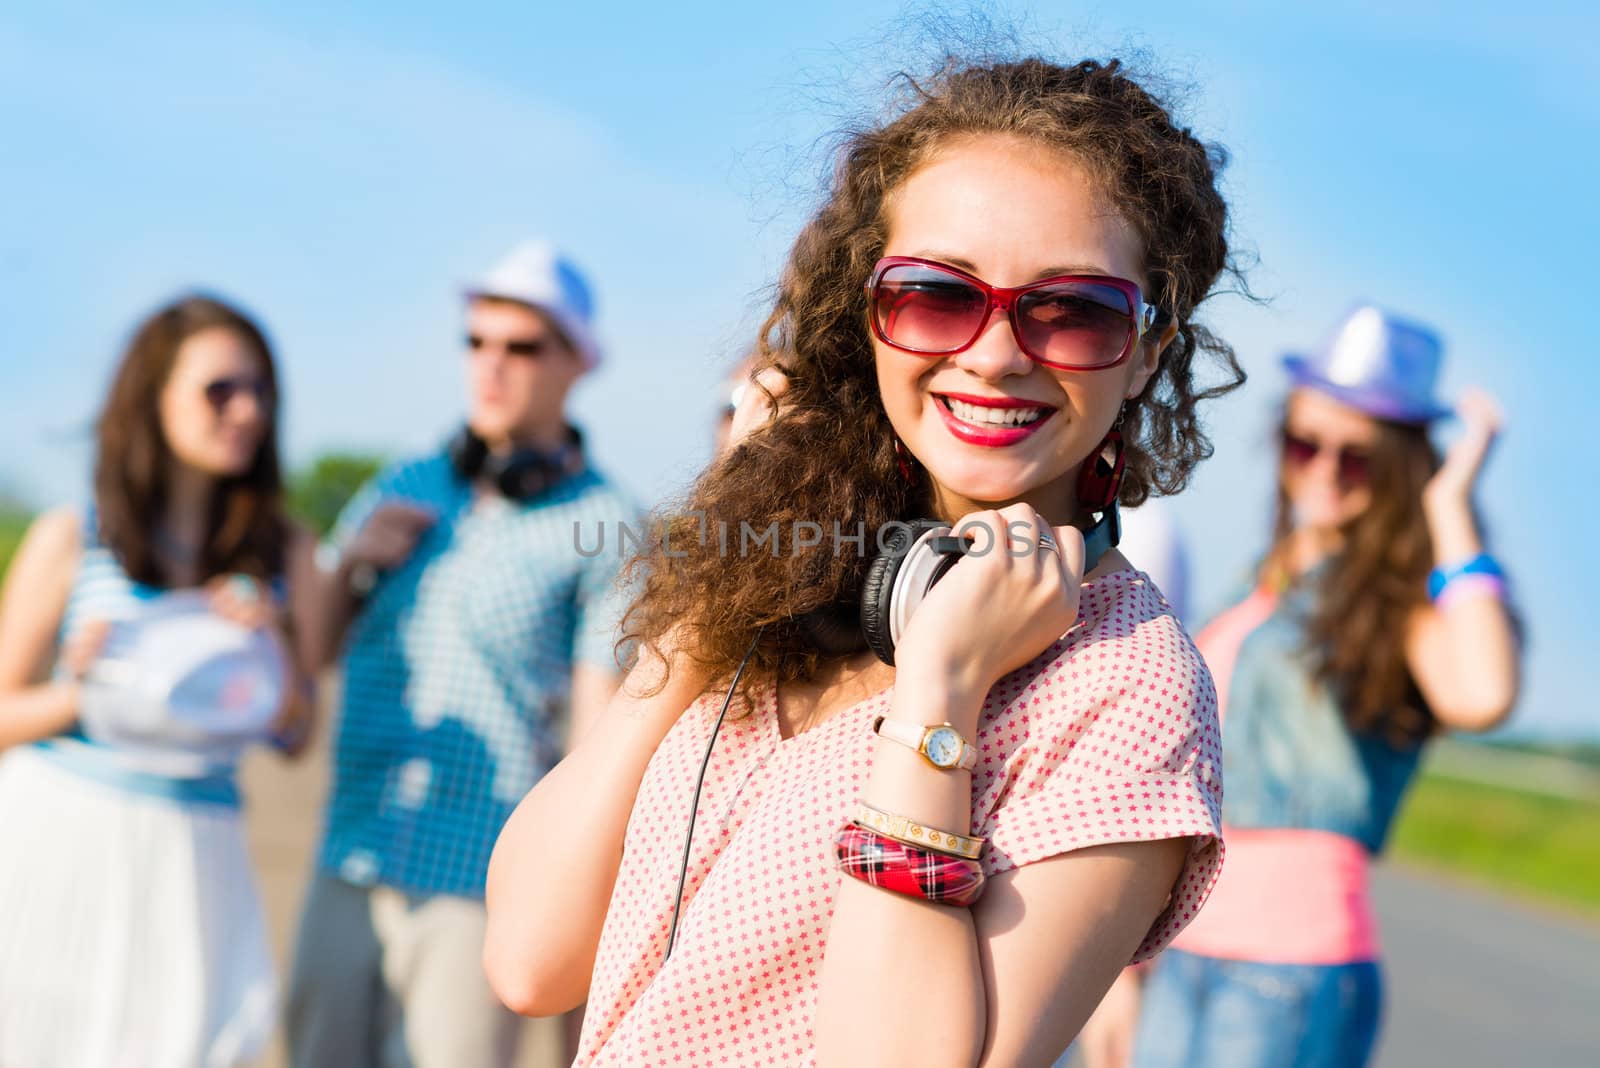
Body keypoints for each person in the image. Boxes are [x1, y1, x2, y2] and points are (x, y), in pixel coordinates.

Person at [484, 55, 1248, 1066]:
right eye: (937, 295)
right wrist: (714, 591)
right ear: (868, 315)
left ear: (1148, 346)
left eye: (1071, 311)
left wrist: (942, 697)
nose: (994, 353)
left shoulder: (1127, 688)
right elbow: (531, 961)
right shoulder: (802, 574)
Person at [1112, 306, 1521, 1068]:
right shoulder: (1262, 579)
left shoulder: (1397, 601)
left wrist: (1449, 508)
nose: (1325, 471)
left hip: (1289, 972)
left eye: (1357, 458)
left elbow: (1484, 692)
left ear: (1401, 466)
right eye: (1306, 445)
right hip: (1181, 947)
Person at [286, 239, 636, 1068]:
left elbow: (597, 736)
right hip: (350, 850)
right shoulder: (402, 482)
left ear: (577, 364)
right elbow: (317, 646)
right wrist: (354, 562)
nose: (492, 365)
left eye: (522, 347)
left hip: (478, 885)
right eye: (477, 342)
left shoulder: (610, 524)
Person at [0, 294, 317, 1067]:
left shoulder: (285, 554)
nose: (247, 411)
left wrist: (271, 645)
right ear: (153, 397)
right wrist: (88, 688)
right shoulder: (74, 536)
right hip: (65, 843)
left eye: (261, 391)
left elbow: (296, 735)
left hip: (200, 857)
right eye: (221, 390)